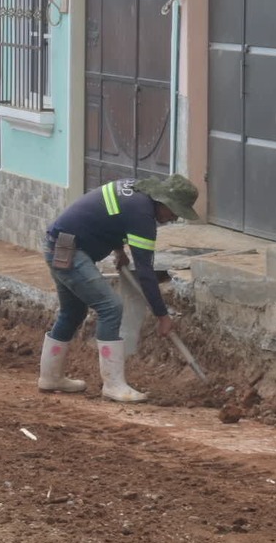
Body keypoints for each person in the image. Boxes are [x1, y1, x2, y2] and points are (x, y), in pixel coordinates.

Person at [38, 173, 200, 403]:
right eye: (174, 212)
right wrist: (162, 316)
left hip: (60, 244)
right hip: (70, 251)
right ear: (162, 201)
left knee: (72, 312)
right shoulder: (142, 216)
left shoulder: (136, 191)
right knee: (111, 307)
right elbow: (146, 272)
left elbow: (110, 217)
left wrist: (119, 251)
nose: (173, 218)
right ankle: (113, 385)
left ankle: (50, 378)